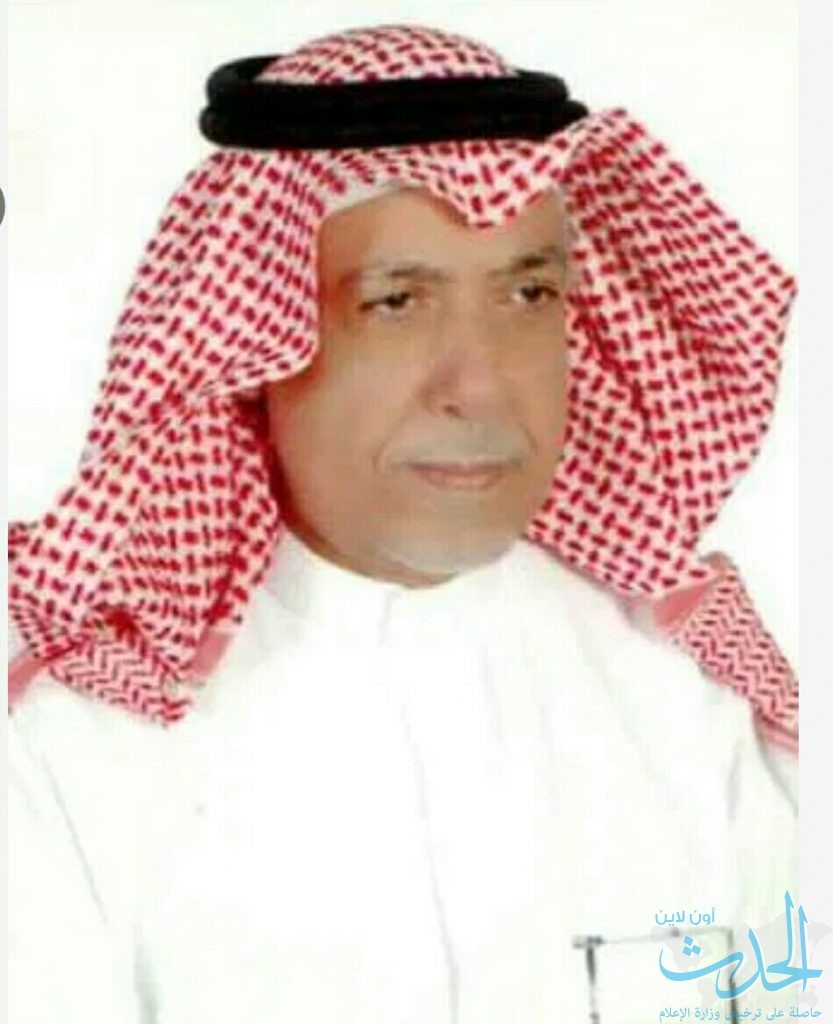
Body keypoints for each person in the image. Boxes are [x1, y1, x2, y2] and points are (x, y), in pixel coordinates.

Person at [7, 24, 798, 1023]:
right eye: (396, 302)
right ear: (257, 344)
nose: (480, 387)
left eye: (528, 293)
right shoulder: (67, 752)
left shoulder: (690, 696)